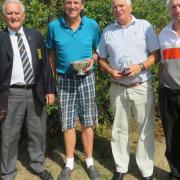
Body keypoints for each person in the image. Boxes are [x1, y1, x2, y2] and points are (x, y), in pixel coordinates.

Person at [97, 0, 160, 179]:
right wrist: (110, 71)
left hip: (141, 86)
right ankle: (120, 167)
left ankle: (146, 170)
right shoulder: (108, 31)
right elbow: (101, 58)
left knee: (145, 129)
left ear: (130, 7)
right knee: (119, 129)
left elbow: (156, 54)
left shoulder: (144, 26)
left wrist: (140, 67)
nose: (118, 9)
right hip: (117, 88)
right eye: (115, 7)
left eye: (121, 6)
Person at [0, 0, 56, 179]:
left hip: (35, 92)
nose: (13, 16)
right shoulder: (0, 39)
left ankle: (38, 165)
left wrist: (49, 89)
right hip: (11, 94)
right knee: (9, 135)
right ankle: (7, 172)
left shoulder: (35, 36)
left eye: (17, 13)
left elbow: (45, 65)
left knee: (38, 132)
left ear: (23, 15)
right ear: (4, 17)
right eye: (9, 13)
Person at [45, 0, 101, 180]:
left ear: (82, 5)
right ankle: (69, 164)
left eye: (76, 2)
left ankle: (89, 162)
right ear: (63, 5)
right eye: (68, 2)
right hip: (65, 80)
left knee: (87, 121)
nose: (72, 6)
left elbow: (98, 50)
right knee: (67, 122)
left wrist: (92, 59)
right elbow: (51, 54)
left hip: (87, 79)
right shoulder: (54, 26)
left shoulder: (92, 25)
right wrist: (52, 82)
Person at [159, 0, 180, 179]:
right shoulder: (163, 34)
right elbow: (161, 65)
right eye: (173, 6)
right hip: (167, 91)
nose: (177, 10)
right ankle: (175, 172)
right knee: (171, 135)